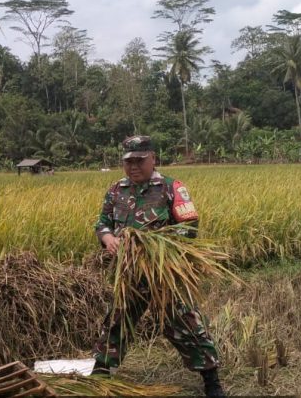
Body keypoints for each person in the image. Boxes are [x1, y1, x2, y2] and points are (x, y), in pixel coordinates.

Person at [91, 135, 225, 397]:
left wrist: (152, 243)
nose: (134, 167)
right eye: (129, 162)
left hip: (165, 272)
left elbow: (189, 226)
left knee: (183, 322)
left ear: (153, 158)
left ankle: (211, 379)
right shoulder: (116, 190)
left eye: (140, 161)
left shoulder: (170, 187)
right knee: (117, 320)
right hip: (128, 272)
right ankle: (101, 371)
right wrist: (107, 237)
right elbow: (102, 222)